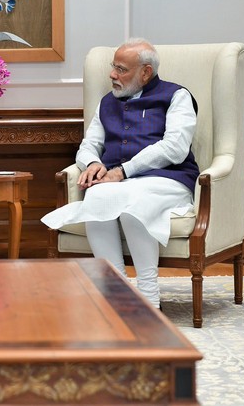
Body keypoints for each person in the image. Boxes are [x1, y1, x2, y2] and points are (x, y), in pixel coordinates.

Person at [41, 38, 199, 309]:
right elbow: (89, 145)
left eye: (121, 69)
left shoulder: (176, 96)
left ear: (145, 72)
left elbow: (175, 148)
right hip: (120, 183)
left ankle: (149, 297)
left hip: (168, 179)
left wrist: (123, 171)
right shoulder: (106, 103)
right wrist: (91, 163)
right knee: (97, 197)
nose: (113, 74)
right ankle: (117, 290)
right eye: (113, 67)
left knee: (132, 204)